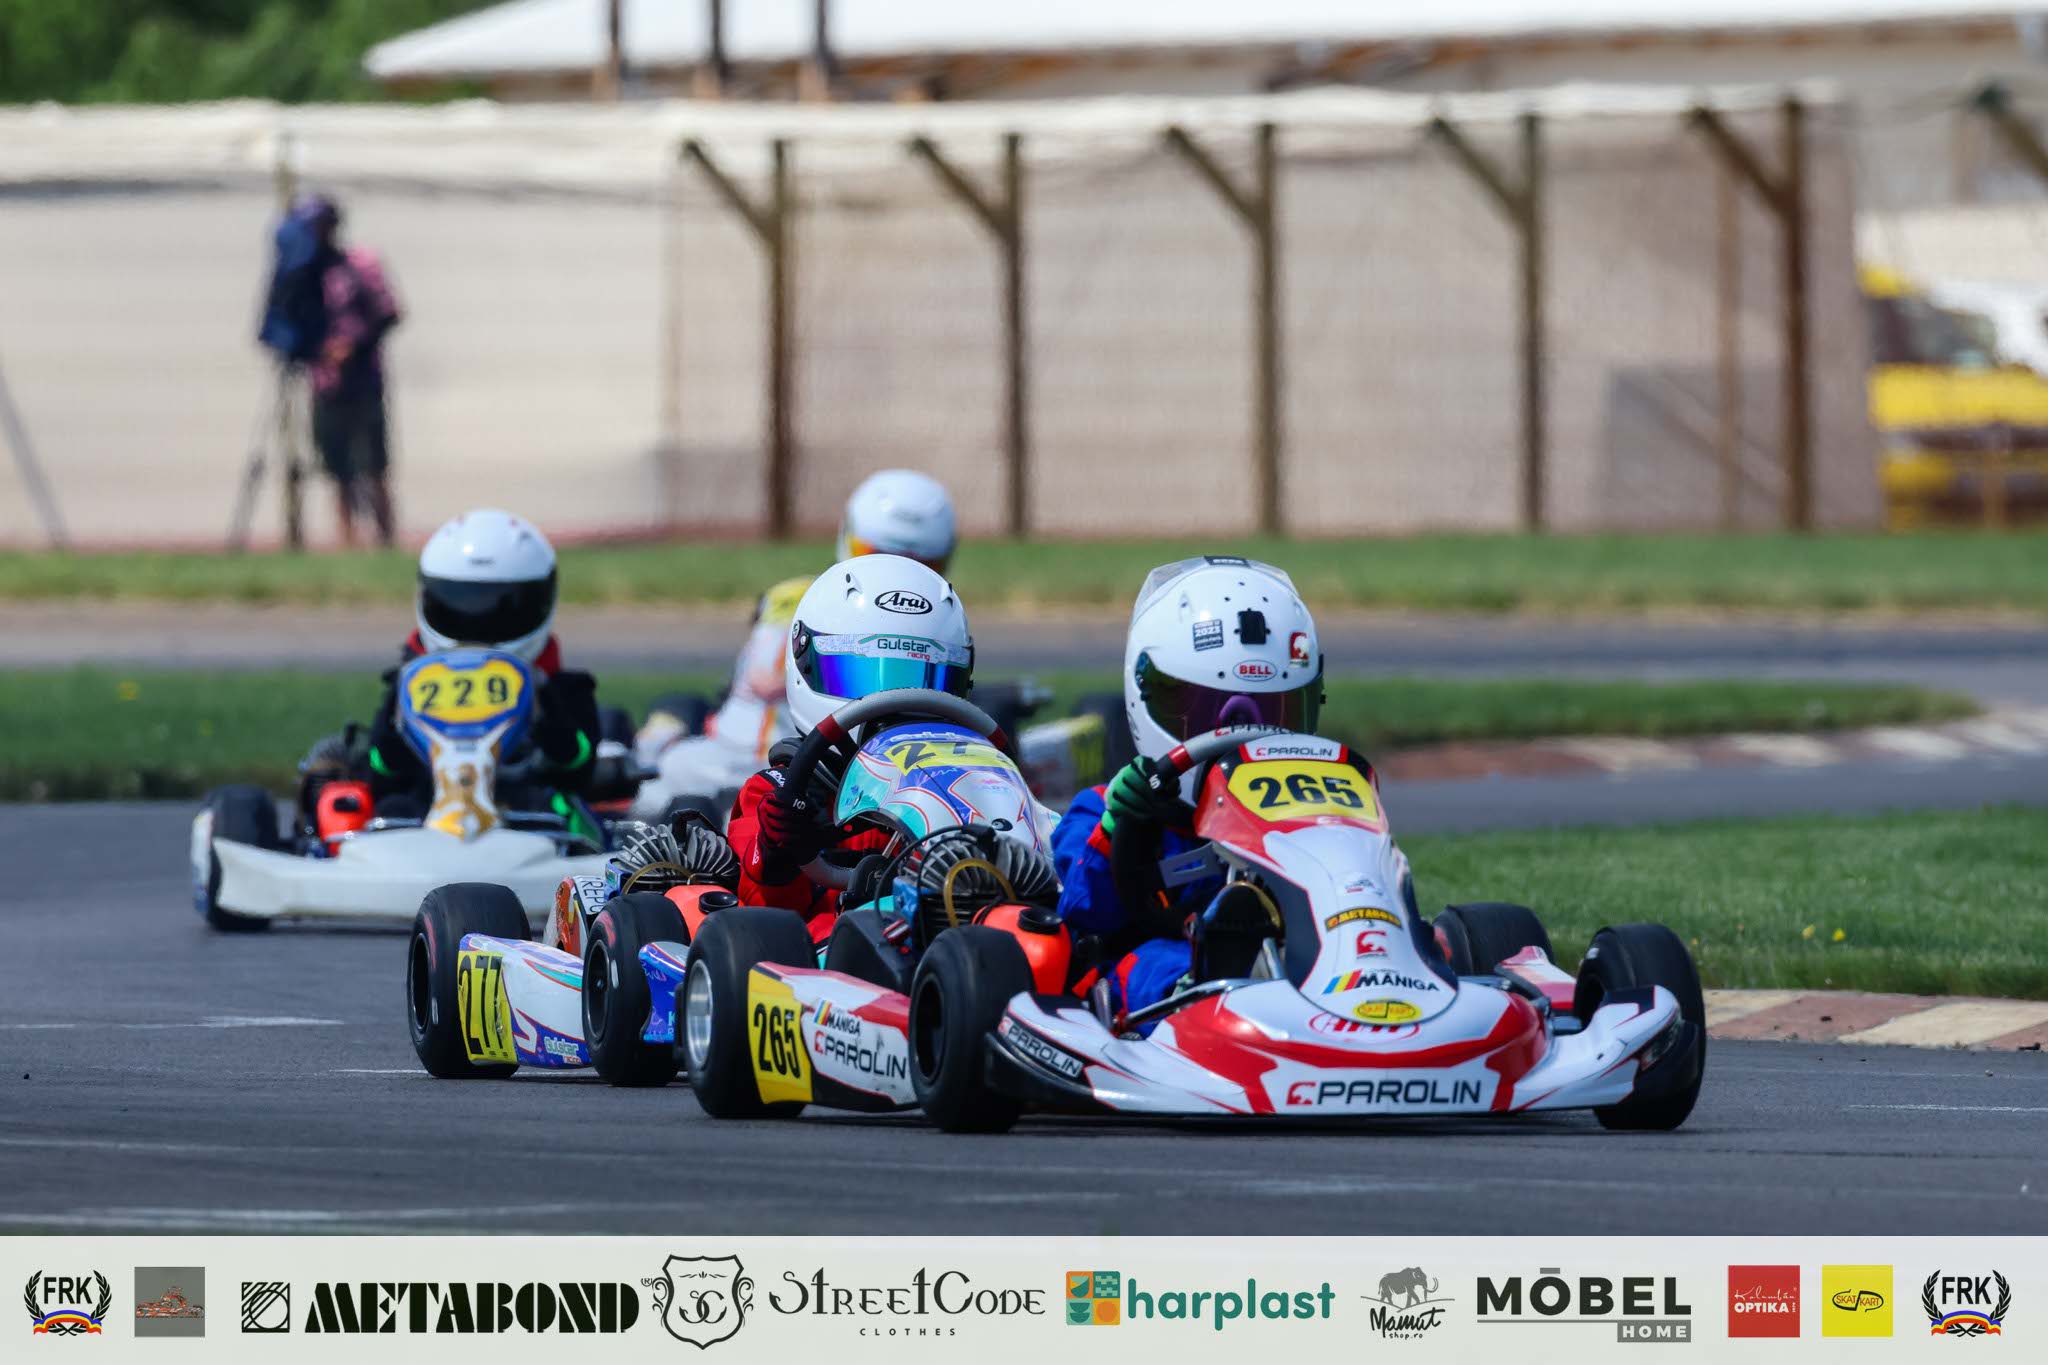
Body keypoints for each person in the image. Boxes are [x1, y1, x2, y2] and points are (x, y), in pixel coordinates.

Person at [1050, 556, 1329, 1020]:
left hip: (1294, 954)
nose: (1243, 738)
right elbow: (1083, 916)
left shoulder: (1310, 814)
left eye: (1275, 712)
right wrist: (1118, 831)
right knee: (1152, 963)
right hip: (1151, 969)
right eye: (1208, 714)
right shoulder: (1101, 810)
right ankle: (1207, 990)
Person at [629, 469, 960, 815]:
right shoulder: (805, 599)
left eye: (921, 565)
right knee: (669, 737)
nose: (895, 576)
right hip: (768, 759)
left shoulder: (941, 620)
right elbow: (766, 679)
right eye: (875, 556)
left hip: (848, 769)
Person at [724, 554, 976, 937]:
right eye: (864, 679)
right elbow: (765, 922)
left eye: (923, 681)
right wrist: (779, 853)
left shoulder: (968, 785)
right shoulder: (778, 793)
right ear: (806, 665)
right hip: (838, 950)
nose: (892, 703)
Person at [300, 509, 601, 829]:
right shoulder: (410, 681)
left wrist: (546, 712)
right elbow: (384, 768)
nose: (479, 623)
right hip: (422, 814)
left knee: (561, 810)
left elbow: (578, 768)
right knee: (387, 808)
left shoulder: (561, 689)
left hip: (529, 813)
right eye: (460, 602)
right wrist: (396, 716)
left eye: (500, 607)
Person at [302, 195, 402, 548]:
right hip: (325, 385)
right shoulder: (305, 272)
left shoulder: (361, 264)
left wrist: (352, 346)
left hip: (364, 381)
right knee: (338, 469)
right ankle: (348, 542)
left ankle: (385, 539)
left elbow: (389, 312)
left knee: (375, 465)